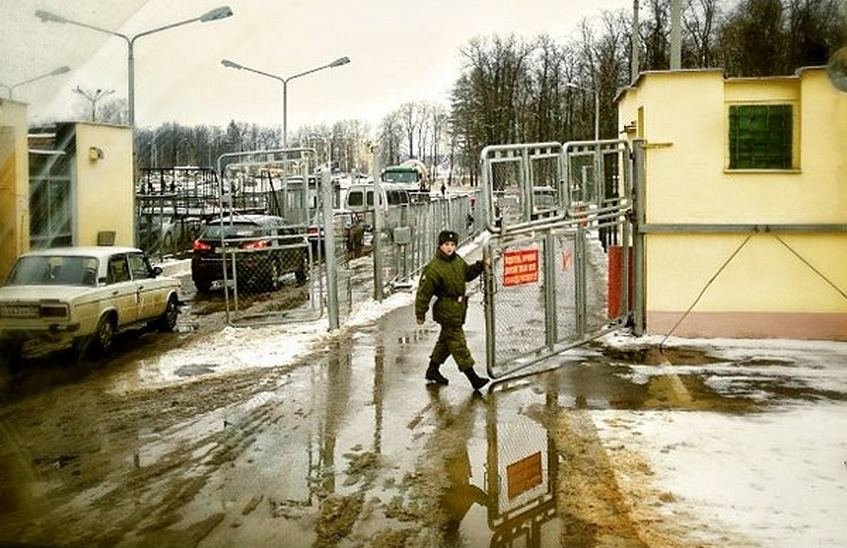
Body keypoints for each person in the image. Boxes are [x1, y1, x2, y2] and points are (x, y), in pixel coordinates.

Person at [415, 230, 489, 390]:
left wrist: (480, 266)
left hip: (458, 308)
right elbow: (424, 292)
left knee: (446, 342)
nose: (449, 248)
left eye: (452, 245)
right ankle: (473, 378)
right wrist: (420, 312)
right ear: (440, 245)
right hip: (446, 310)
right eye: (446, 244)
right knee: (458, 343)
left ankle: (432, 370)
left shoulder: (457, 260)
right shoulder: (434, 267)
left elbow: (467, 274)